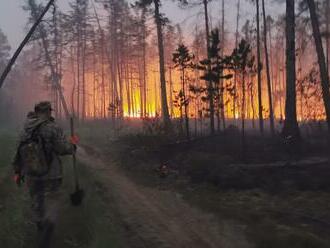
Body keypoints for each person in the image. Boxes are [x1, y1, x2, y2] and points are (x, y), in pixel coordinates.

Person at [13, 101, 77, 248]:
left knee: (37, 203)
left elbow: (18, 151)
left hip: (32, 175)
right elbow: (62, 149)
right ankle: (46, 234)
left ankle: (40, 228)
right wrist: (72, 146)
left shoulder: (25, 128)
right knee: (52, 203)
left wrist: (17, 171)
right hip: (51, 174)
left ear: (35, 111)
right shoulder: (52, 127)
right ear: (48, 111)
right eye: (50, 111)